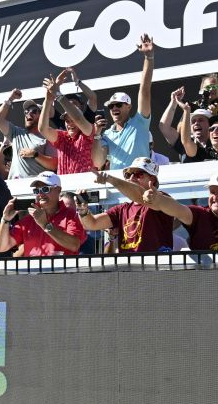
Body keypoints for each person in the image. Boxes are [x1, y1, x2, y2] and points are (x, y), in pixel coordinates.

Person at [76, 158, 178, 253]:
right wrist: (83, 210)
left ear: (153, 179)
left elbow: (139, 194)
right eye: (128, 175)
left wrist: (110, 179)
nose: (132, 178)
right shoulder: (122, 209)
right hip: (129, 268)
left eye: (139, 174)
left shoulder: (160, 197)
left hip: (156, 267)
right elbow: (92, 224)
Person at [140, 172, 218, 251]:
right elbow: (178, 209)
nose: (215, 197)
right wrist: (159, 200)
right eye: (212, 192)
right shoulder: (200, 214)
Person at [99, 34, 156, 170]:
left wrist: (149, 58)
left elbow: (144, 90)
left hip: (140, 181)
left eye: (118, 105)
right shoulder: (106, 134)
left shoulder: (140, 122)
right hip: (118, 186)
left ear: (129, 106)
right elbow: (99, 162)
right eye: (111, 106)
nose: (114, 108)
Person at [0, 171, 85, 257]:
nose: (40, 194)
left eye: (45, 189)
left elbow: (74, 245)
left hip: (62, 271)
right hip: (33, 272)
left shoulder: (71, 215)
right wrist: (5, 220)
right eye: (36, 191)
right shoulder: (28, 220)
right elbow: (2, 247)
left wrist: (45, 225)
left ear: (58, 190)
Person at [38, 70, 105, 175]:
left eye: (72, 120)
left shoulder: (87, 134)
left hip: (84, 189)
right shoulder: (62, 137)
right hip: (64, 189)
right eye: (67, 120)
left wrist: (58, 94)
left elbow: (78, 118)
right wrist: (48, 99)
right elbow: (42, 129)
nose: (69, 123)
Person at [0, 87, 51, 178]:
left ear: (43, 115)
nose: (29, 114)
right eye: (26, 112)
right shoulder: (17, 133)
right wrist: (10, 99)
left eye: (34, 111)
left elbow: (54, 164)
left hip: (36, 188)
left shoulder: (48, 136)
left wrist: (35, 154)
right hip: (15, 188)